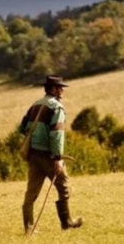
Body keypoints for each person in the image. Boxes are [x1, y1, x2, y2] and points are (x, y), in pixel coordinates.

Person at [19, 74, 84, 234]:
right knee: (64, 186)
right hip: (48, 155)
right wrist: (57, 158)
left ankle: (29, 228)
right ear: (54, 89)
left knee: (31, 192)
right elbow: (57, 134)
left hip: (33, 155)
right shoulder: (57, 107)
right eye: (60, 87)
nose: (62, 90)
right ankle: (67, 222)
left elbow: (22, 128)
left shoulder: (35, 104)